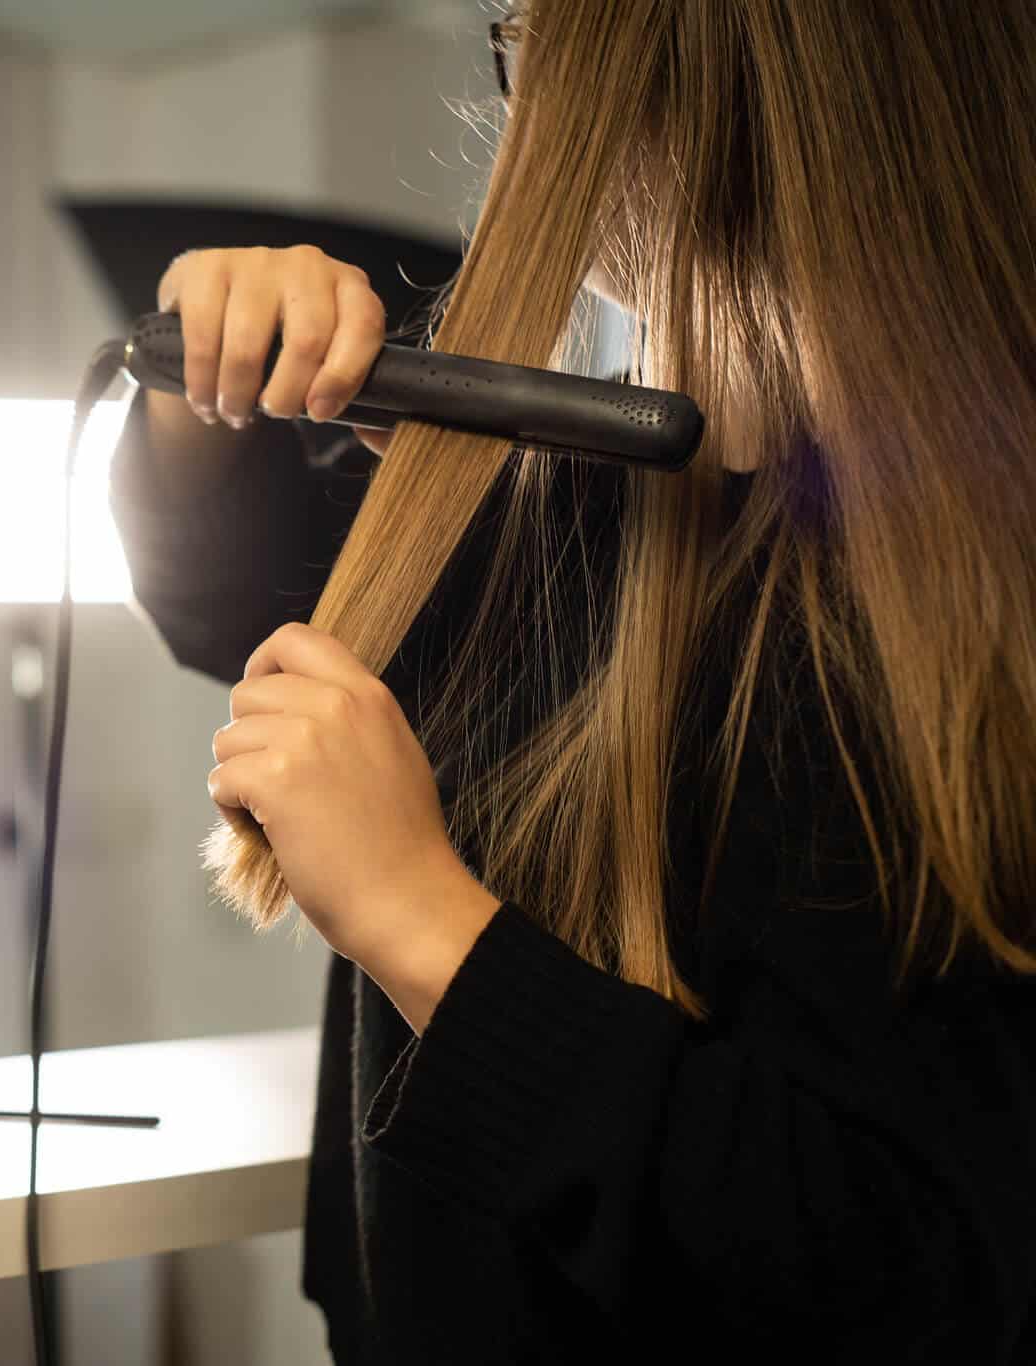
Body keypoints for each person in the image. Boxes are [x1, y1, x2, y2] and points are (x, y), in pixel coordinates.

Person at [108, 3, 1036, 1362]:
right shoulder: (575, 513)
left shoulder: (948, 614)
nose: (517, 77)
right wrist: (210, 376)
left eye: (528, 33)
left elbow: (905, 1272)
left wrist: (429, 926)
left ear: (670, 90)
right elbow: (228, 599)